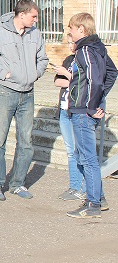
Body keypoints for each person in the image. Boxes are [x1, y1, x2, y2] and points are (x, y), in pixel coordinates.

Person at [0, 0, 49, 201]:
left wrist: (36, 73)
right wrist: (4, 74)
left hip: (28, 94)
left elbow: (43, 59)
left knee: (26, 142)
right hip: (5, 93)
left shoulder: (35, 34)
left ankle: (18, 183)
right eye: (33, 16)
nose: (36, 20)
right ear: (22, 14)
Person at [65, 12, 117, 218]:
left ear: (81, 29)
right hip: (86, 108)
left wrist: (92, 105)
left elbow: (95, 79)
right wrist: (98, 99)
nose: (69, 32)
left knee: (87, 158)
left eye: (71, 28)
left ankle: (93, 204)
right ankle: (99, 198)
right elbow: (112, 72)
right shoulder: (98, 48)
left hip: (83, 111)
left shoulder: (85, 50)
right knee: (84, 156)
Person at [53, 36, 86, 201]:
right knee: (70, 151)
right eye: (69, 43)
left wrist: (67, 75)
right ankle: (74, 186)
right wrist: (70, 79)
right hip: (64, 110)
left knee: (81, 151)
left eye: (73, 42)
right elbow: (57, 82)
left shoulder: (86, 61)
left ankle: (85, 188)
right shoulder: (69, 59)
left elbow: (85, 83)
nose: (71, 45)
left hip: (78, 111)